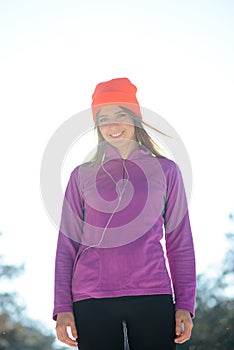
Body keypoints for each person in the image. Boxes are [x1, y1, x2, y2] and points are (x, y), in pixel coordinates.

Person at [53, 77, 196, 349]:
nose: (112, 125)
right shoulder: (81, 175)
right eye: (103, 118)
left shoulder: (166, 171)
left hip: (152, 294)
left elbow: (180, 243)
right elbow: (66, 246)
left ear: (135, 118)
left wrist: (186, 304)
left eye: (120, 114)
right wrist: (62, 306)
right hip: (91, 299)